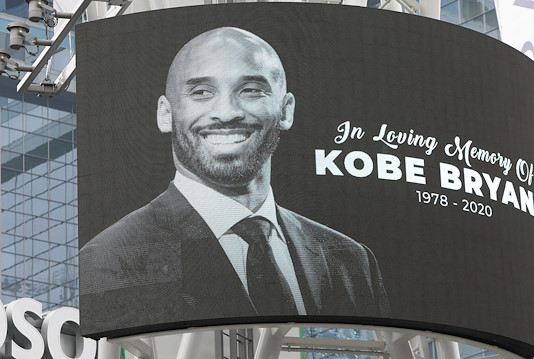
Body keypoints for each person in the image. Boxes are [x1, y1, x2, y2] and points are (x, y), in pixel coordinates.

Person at [79, 27, 389, 337]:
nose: (226, 113)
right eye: (201, 92)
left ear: (285, 110)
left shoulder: (351, 259)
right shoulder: (111, 259)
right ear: (165, 114)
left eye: (251, 89)